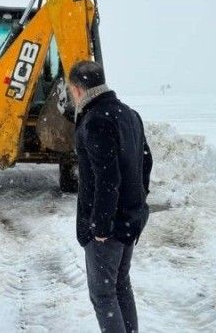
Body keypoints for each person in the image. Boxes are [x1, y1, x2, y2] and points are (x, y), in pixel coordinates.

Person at [69, 61, 152, 333]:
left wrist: (101, 226)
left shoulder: (96, 121)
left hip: (109, 228)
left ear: (79, 89)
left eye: (71, 90)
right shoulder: (129, 114)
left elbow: (108, 178)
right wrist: (138, 202)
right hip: (130, 220)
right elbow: (146, 161)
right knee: (120, 285)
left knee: (103, 295)